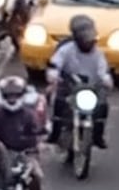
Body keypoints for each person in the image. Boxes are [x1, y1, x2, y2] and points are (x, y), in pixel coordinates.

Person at [46, 14, 111, 150]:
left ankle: (98, 135)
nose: (88, 42)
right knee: (58, 102)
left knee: (103, 106)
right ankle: (55, 132)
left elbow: (102, 70)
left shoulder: (98, 53)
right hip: (70, 85)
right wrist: (54, 75)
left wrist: (106, 79)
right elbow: (55, 64)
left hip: (90, 87)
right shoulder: (66, 50)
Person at [0, 76, 44, 190]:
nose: (12, 99)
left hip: (26, 153)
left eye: (16, 95)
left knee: (36, 176)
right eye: (8, 96)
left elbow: (36, 134)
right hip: (3, 153)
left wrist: (34, 145)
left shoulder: (29, 115)